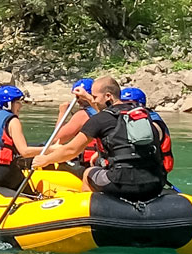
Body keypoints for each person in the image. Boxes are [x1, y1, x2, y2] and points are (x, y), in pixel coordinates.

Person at [30, 82, 174, 201]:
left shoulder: (99, 119)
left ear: (108, 96)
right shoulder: (145, 117)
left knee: (88, 173)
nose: (93, 101)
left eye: (94, 97)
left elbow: (71, 150)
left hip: (121, 182)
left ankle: (93, 209)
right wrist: (87, 96)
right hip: (154, 183)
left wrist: (45, 159)